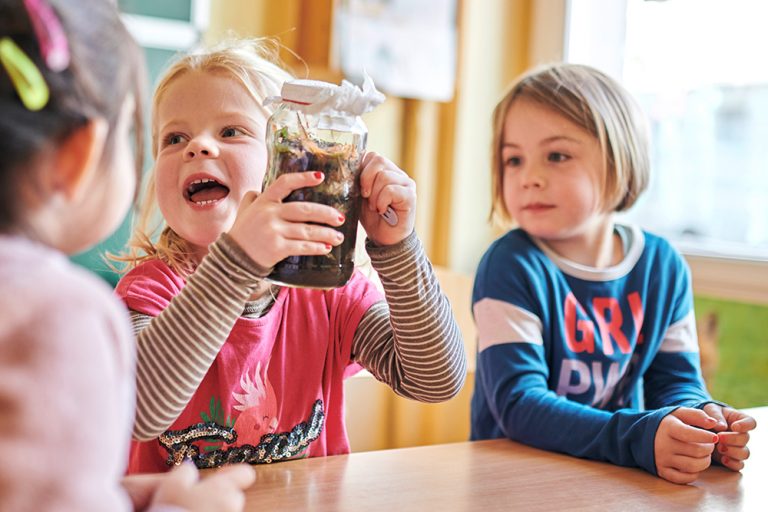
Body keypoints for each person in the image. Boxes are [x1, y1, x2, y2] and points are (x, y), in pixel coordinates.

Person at [112, 38, 466, 473]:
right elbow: (137, 409)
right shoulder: (151, 290)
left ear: (292, 160)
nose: (197, 146)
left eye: (231, 132)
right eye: (174, 138)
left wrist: (398, 248)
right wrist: (238, 260)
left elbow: (435, 380)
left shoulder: (328, 292)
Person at [0, 1, 256, 510]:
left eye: (231, 132)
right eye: (165, 138)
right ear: (78, 157)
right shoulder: (64, 316)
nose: (199, 148)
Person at [470, 63, 756, 485]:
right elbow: (519, 405)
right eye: (513, 159)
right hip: (514, 480)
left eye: (556, 156)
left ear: (619, 162)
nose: (529, 178)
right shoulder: (509, 265)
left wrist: (702, 422)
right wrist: (636, 437)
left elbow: (675, 381)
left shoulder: (663, 267)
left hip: (614, 478)